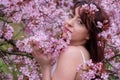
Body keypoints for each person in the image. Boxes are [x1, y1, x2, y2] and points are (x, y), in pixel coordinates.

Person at [32, 0, 110, 80]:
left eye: (80, 22)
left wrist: (45, 67)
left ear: (89, 35)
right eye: (71, 16)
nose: (70, 22)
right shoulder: (83, 53)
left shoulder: (71, 53)